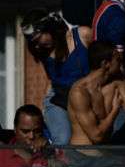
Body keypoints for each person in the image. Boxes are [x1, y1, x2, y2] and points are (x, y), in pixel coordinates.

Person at [27, 15, 91, 146]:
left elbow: (105, 57)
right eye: (34, 43)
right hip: (59, 98)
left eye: (38, 39)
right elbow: (51, 81)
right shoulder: (44, 51)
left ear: (50, 29)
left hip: (87, 96)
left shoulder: (82, 35)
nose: (37, 46)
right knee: (63, 140)